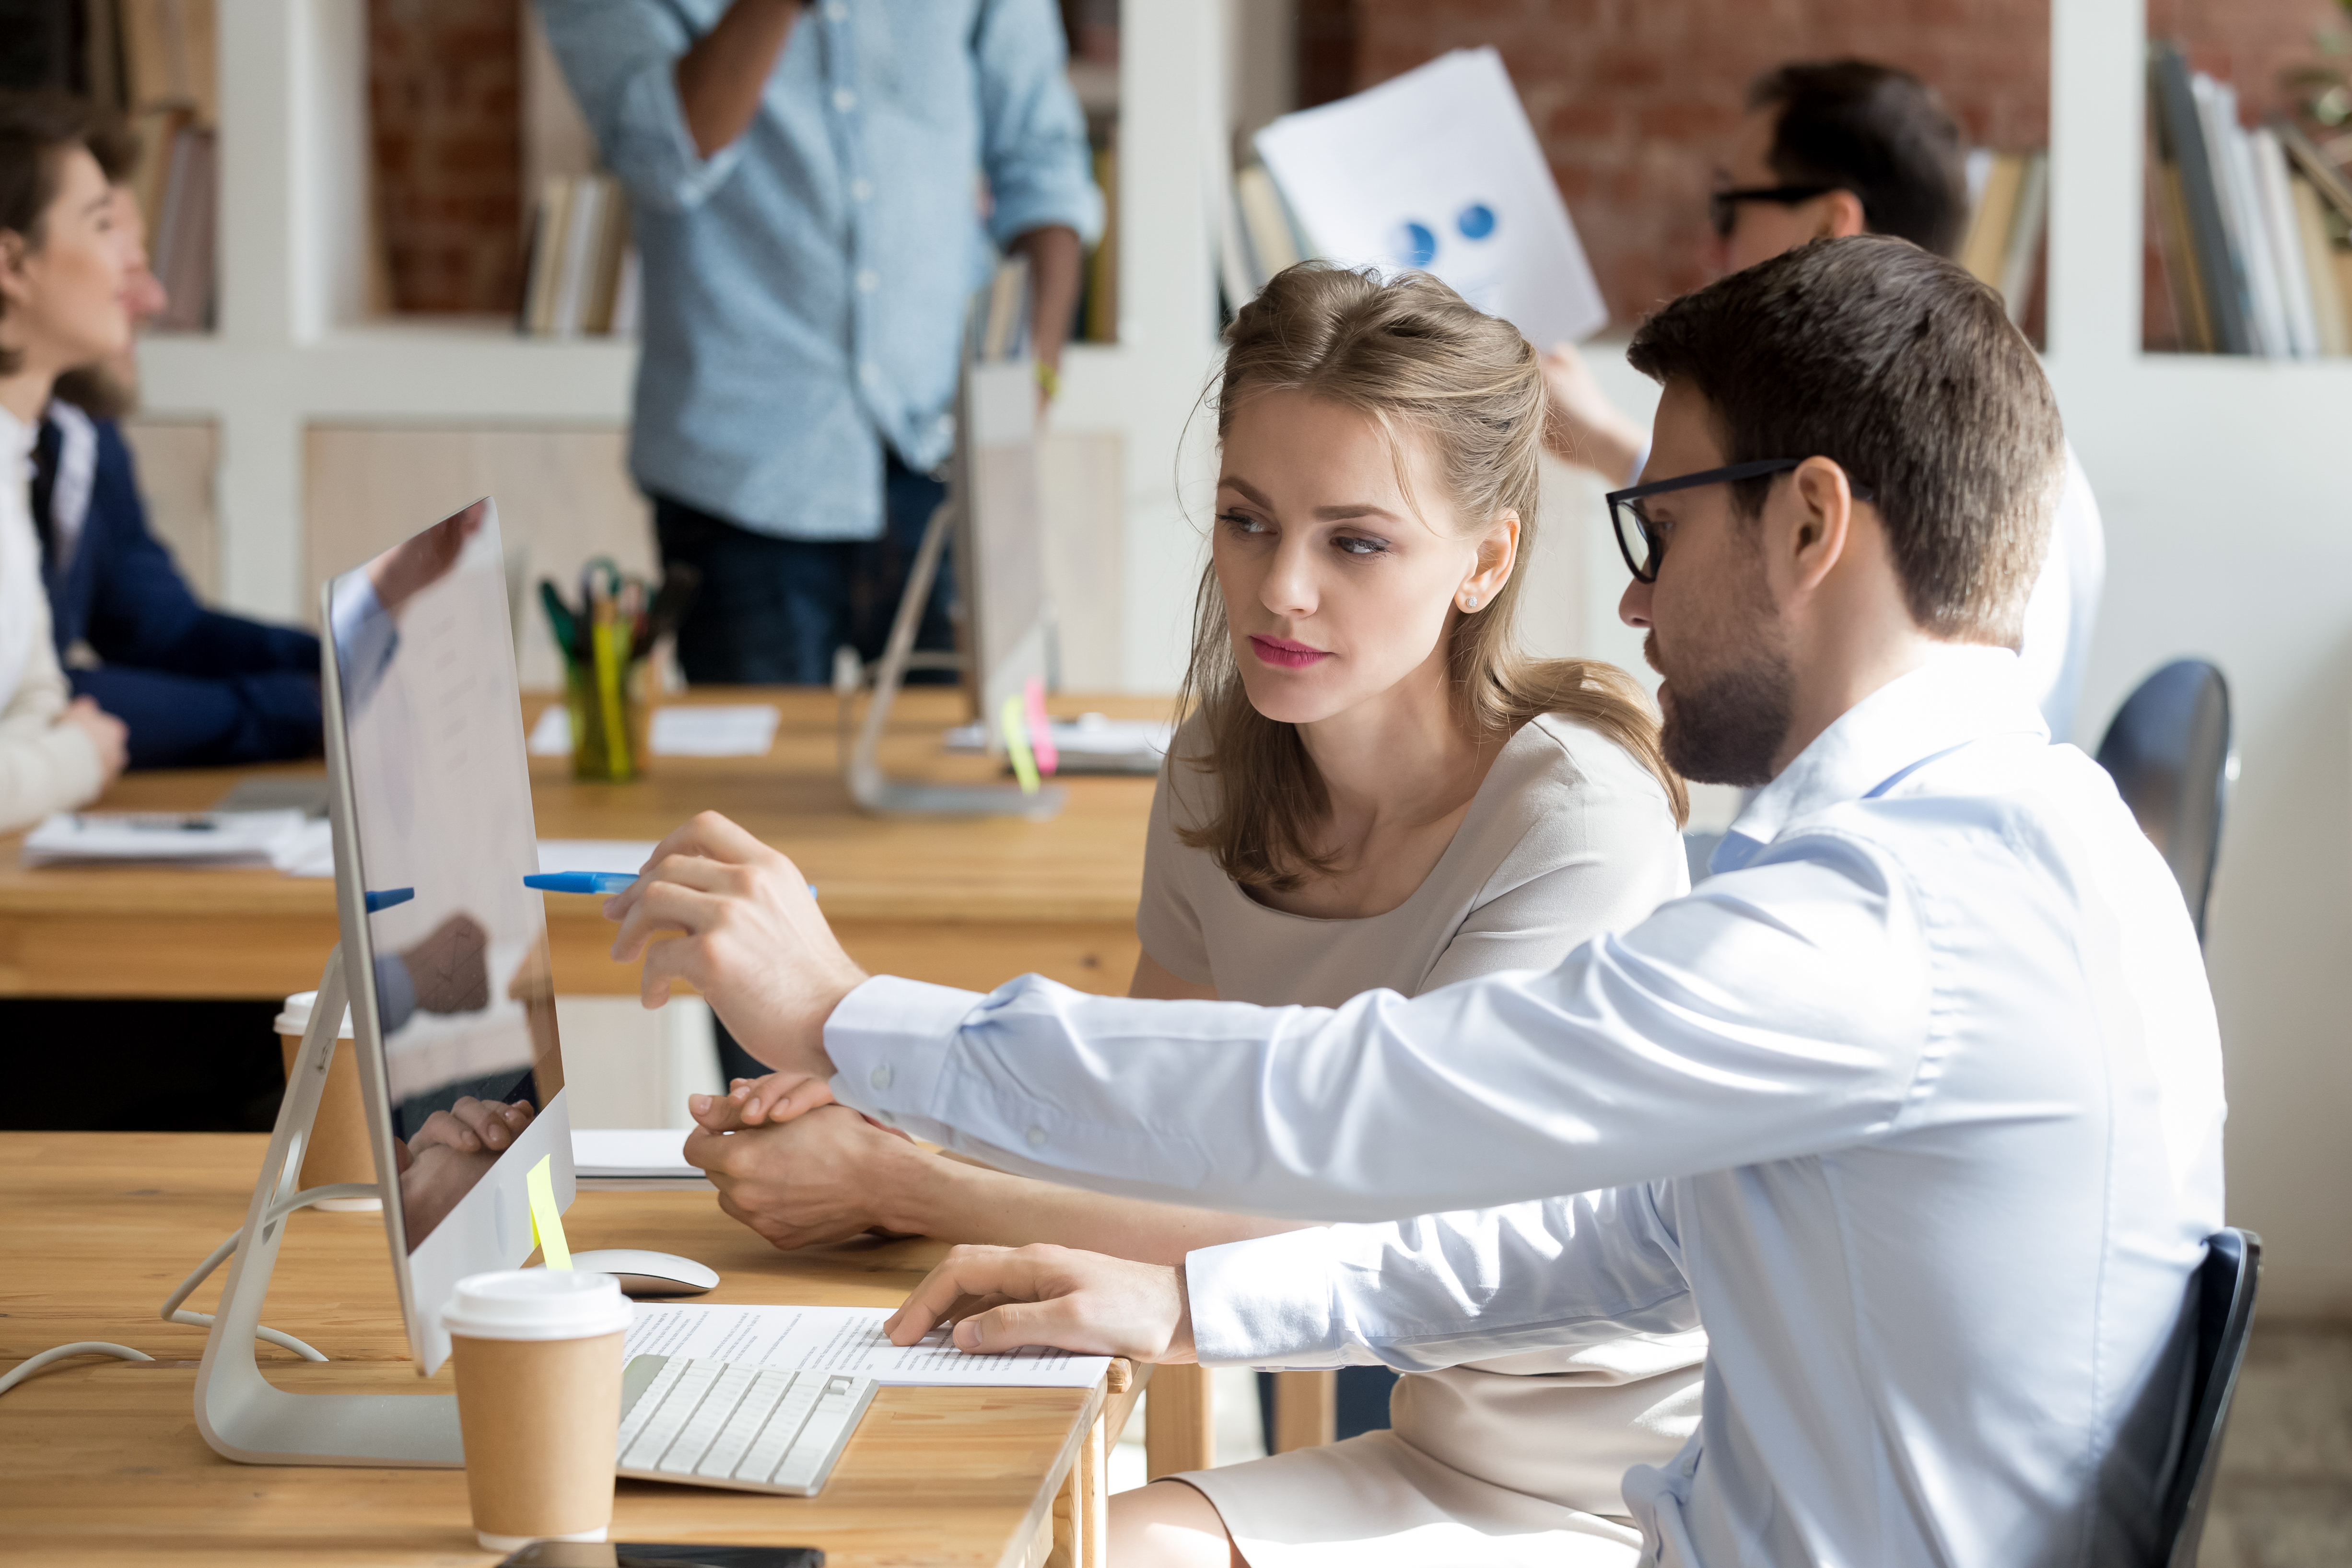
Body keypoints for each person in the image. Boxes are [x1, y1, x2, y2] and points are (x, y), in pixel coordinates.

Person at [600, 236, 2224, 1567]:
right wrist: (1193, 1298)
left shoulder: (1885, 921)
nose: (1636, 595)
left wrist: (848, 1018)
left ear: (1805, 523)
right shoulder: (2019, 841)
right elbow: (1630, 1239)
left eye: (1656, 528)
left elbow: (1362, 1098)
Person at [688, 263, 1702, 1565]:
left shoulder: (1575, 818)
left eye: (1355, 539)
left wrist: (911, 1175)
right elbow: (1142, 1137)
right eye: (1246, 519)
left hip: (1632, 1492)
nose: (1281, 588)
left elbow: (1393, 1235)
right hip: (1434, 1444)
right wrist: (889, 1112)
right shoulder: (1221, 770)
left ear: (1485, 559)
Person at [539, 0, 1103, 686]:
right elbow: (658, 159)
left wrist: (1033, 379)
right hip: (741, 487)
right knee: (757, 791)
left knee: (966, 775)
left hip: (943, 458)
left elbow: (1043, 163)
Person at [1544, 59, 2106, 742]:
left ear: (1828, 223)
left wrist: (1607, 442)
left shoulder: (1939, 469)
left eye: (1732, 207)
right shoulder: (2013, 442)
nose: (1712, 244)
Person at [32, 176, 322, 769]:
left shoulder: (84, 432)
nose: (153, 300)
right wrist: (293, 710)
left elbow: (159, 630)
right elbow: (33, 705)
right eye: (115, 252)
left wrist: (340, 665)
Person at [0, 91, 128, 832]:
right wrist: (70, 760)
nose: (129, 264)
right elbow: (57, 730)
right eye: (104, 225)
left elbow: (37, 694)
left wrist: (31, 765)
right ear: (12, 264)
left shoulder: (16, 450)